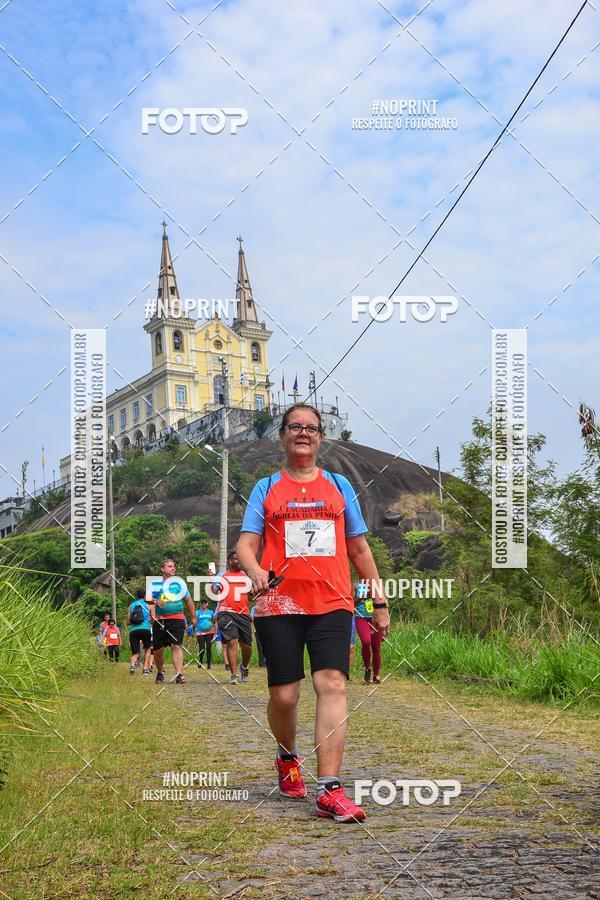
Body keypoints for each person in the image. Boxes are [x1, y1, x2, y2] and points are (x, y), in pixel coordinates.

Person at [237, 403, 390, 823]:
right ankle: (287, 757)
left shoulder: (339, 486)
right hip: (279, 603)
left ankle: (329, 789)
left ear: (321, 437)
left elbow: (359, 548)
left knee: (333, 684)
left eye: (311, 428)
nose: (303, 433)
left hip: (333, 602)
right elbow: (246, 545)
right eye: (295, 427)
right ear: (282, 436)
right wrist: (255, 570)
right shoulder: (266, 487)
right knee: (285, 695)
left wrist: (378, 601)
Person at [150, 558, 195, 685]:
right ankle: (160, 672)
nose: (173, 568)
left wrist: (193, 617)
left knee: (176, 645)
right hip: (160, 621)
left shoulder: (179, 584)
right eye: (170, 566)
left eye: (173, 566)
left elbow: (188, 600)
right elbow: (147, 598)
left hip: (177, 619)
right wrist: (155, 601)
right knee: (158, 650)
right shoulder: (154, 584)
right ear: (162, 569)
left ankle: (179, 674)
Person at [215, 550, 252, 685]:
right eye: (237, 559)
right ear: (230, 561)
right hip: (226, 612)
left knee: (247, 646)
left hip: (243, 613)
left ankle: (244, 666)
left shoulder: (246, 576)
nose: (240, 561)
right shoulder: (221, 576)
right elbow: (213, 591)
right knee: (232, 642)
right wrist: (214, 583)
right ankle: (234, 674)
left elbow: (253, 593)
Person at [354, 579, 383, 685]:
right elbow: (350, 604)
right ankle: (367, 669)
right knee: (366, 642)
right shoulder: (356, 585)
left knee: (376, 647)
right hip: (361, 617)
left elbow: (384, 602)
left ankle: (376, 675)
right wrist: (361, 597)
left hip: (375, 618)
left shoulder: (377, 584)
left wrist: (386, 623)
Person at [127, 588, 153, 675]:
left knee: (135, 652)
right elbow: (152, 619)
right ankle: (145, 669)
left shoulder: (131, 605)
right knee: (148, 648)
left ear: (136, 595)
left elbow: (128, 620)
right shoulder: (148, 605)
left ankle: (132, 666)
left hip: (133, 630)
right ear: (145, 595)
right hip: (145, 629)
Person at [196, 597, 215, 669]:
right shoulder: (197, 612)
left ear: (207, 604)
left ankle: (209, 664)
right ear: (200, 604)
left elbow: (214, 622)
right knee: (202, 648)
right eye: (202, 603)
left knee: (209, 648)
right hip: (200, 632)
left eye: (205, 603)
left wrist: (215, 631)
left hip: (209, 632)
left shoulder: (211, 612)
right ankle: (200, 661)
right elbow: (195, 621)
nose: (203, 604)